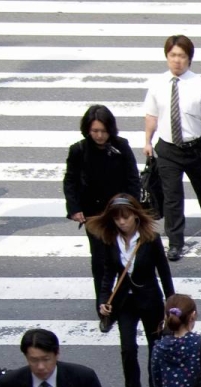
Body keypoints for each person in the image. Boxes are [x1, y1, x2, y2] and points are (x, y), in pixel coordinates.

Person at [86, 195, 174, 387]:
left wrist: (170, 302)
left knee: (155, 347)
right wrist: (102, 301)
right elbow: (107, 273)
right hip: (124, 302)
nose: (122, 222)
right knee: (127, 349)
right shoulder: (109, 239)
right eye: (117, 218)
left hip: (150, 299)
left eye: (125, 217)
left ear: (135, 214)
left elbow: (163, 271)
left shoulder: (150, 238)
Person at [142, 36, 201, 261]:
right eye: (173, 56)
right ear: (167, 57)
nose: (177, 60)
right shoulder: (158, 84)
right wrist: (148, 141)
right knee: (172, 196)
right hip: (168, 149)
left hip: (195, 147)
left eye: (181, 56)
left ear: (189, 58)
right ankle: (175, 242)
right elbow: (151, 115)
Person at [64, 105, 141, 300]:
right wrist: (74, 209)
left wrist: (132, 208)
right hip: (93, 214)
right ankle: (103, 303)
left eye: (103, 131)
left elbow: (133, 178)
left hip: (120, 212)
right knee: (100, 261)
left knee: (123, 256)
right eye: (95, 131)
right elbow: (70, 180)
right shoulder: (78, 150)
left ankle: (123, 296)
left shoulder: (121, 146)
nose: (99, 136)